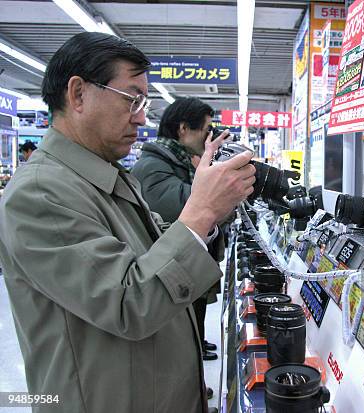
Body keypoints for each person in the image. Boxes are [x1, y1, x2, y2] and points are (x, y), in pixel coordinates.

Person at [0, 32, 256, 413]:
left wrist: (212, 215)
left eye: (144, 102)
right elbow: (128, 303)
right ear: (78, 94)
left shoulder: (103, 176)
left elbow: (148, 252)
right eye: (131, 99)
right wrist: (200, 210)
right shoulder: (41, 193)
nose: (141, 116)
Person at [131, 97, 222, 365]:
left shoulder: (178, 161)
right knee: (179, 332)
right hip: (169, 271)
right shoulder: (153, 166)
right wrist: (218, 183)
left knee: (194, 320)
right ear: (184, 129)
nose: (209, 136)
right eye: (206, 130)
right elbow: (179, 209)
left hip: (183, 265)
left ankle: (196, 357)